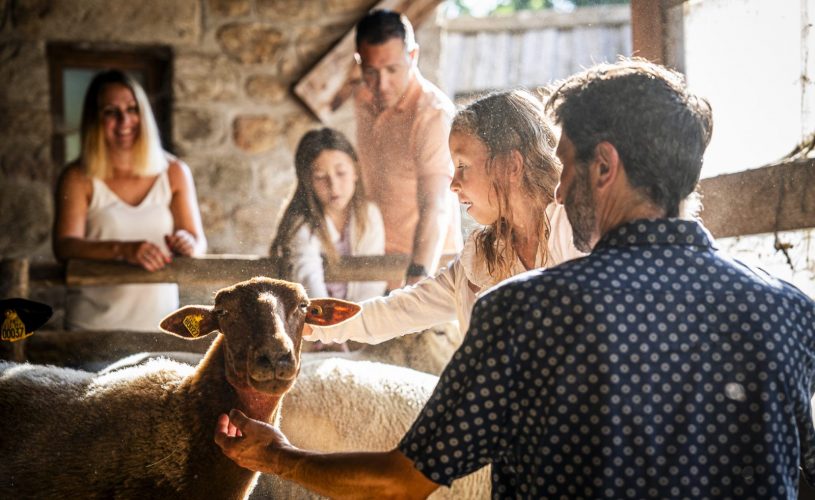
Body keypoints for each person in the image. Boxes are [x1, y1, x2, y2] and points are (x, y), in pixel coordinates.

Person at [214, 58, 815, 498]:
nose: (558, 181)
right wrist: (314, 327)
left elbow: (404, 479)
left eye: (568, 162)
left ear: (602, 166)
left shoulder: (523, 309)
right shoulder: (791, 311)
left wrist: (278, 455)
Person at [305, 89, 582, 349]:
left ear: (510, 166)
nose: (453, 184)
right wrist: (314, 324)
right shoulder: (481, 256)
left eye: (462, 166)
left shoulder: (575, 233)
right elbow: (401, 309)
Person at [53, 69, 206, 331]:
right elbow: (65, 246)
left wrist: (188, 243)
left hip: (161, 331)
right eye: (111, 112)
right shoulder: (77, 177)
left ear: (143, 114)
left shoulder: (174, 172)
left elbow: (198, 242)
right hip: (92, 332)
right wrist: (124, 250)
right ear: (94, 119)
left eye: (132, 109)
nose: (124, 120)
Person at [353, 9, 462, 288]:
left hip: (425, 269)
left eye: (392, 70)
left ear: (412, 57)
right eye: (371, 72)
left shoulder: (432, 114)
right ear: (359, 63)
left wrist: (418, 278)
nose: (382, 84)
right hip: (373, 267)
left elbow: (435, 205)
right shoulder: (363, 97)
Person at [269, 128, 386, 351]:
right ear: (307, 182)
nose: (333, 185)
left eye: (341, 173)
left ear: (355, 171)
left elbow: (372, 280)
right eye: (320, 177)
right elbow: (308, 276)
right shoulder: (301, 224)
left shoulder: (369, 216)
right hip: (311, 330)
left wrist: (354, 331)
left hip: (357, 329)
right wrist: (329, 332)